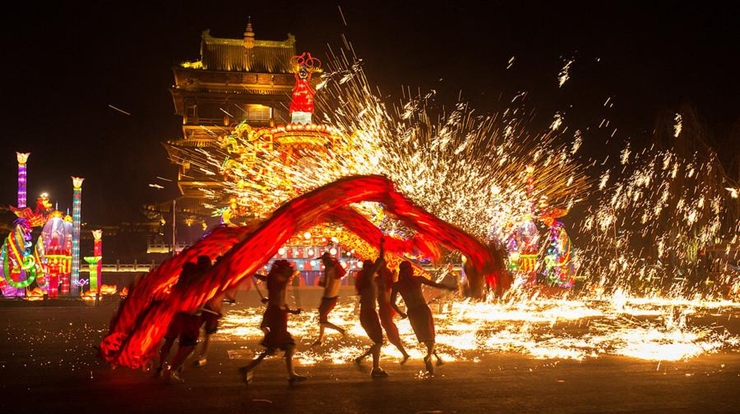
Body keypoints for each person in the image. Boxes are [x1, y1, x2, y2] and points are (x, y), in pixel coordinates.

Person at [239, 260, 306, 384]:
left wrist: (254, 275)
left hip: (278, 315)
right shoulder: (279, 281)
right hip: (278, 317)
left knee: (274, 348)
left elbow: (271, 288)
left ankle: (248, 368)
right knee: (287, 346)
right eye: (287, 269)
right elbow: (278, 301)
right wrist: (291, 311)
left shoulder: (275, 280)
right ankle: (291, 375)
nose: (289, 272)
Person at [391, 261, 457, 375]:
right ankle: (427, 357)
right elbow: (436, 285)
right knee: (430, 337)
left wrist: (401, 313)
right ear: (411, 270)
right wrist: (449, 287)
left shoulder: (397, 285)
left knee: (425, 337)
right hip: (422, 310)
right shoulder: (418, 279)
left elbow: (392, 302)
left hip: (412, 312)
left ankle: (435, 358)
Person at [154, 262, 204, 382]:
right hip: (188, 320)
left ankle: (160, 368)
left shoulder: (177, 286)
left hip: (175, 318)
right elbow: (191, 306)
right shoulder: (193, 287)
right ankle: (172, 372)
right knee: (188, 346)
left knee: (170, 342)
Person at [353, 239, 388, 377]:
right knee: (379, 342)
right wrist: (381, 245)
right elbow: (380, 260)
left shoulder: (367, 280)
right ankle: (368, 364)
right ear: (368, 268)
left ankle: (373, 366)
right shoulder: (368, 277)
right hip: (369, 314)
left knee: (378, 342)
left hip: (367, 313)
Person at [376, 263, 410, 364]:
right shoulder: (388, 281)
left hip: (385, 308)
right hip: (387, 308)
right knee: (390, 329)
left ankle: (404, 353)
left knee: (390, 331)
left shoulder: (381, 282)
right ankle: (404, 352)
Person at [312, 251, 347, 346]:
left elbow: (326, 285)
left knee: (322, 321)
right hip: (334, 297)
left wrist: (319, 283)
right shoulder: (337, 269)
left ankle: (340, 330)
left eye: (323, 260)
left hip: (327, 298)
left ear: (325, 261)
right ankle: (320, 340)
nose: (322, 262)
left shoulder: (328, 269)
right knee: (322, 318)